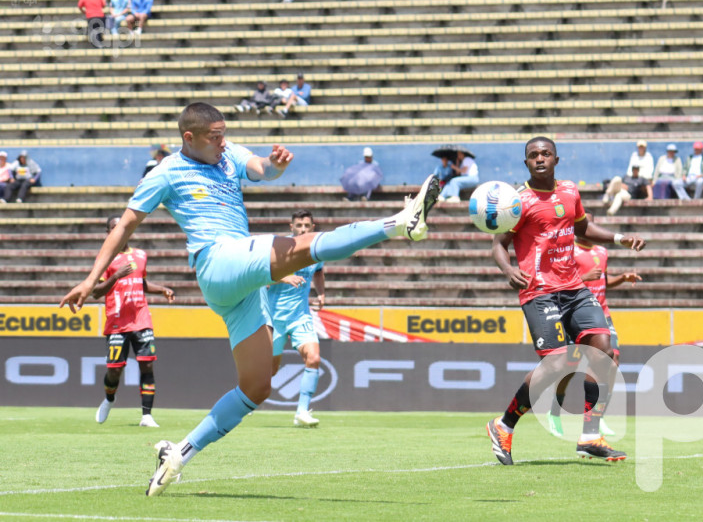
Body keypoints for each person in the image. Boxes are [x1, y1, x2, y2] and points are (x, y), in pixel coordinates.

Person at [59, 102, 440, 497]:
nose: (223, 142)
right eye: (215, 136)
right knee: (304, 246)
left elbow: (261, 169)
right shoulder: (166, 172)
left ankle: (178, 453)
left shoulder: (228, 154)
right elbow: (124, 226)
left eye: (224, 133)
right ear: (189, 138)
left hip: (239, 283)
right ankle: (398, 222)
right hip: (216, 261)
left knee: (257, 387)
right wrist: (90, 279)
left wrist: (276, 165)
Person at [485, 136, 645, 465]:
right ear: (526, 163)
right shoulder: (518, 202)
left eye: (545, 154)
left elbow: (583, 227)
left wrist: (618, 238)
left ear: (557, 159)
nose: (539, 159)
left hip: (574, 287)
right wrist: (507, 269)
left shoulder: (570, 191)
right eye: (533, 155)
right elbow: (498, 244)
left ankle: (590, 435)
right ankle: (503, 425)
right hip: (539, 291)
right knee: (558, 364)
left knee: (605, 349)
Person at [545, 214, 642, 438]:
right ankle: (555, 411)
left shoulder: (602, 251)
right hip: (576, 314)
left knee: (612, 360)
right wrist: (585, 276)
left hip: (601, 314)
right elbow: (558, 284)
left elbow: (604, 281)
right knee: (568, 366)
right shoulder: (567, 251)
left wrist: (623, 278)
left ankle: (598, 417)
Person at [92, 215, 176, 428]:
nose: (118, 230)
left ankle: (146, 415)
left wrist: (162, 290)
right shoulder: (104, 258)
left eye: (121, 226)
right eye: (113, 228)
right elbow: (95, 292)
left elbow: (141, 282)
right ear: (107, 233)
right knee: (114, 370)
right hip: (117, 322)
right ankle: (109, 399)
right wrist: (115, 276)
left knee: (147, 365)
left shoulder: (140, 255)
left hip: (141, 318)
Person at [264, 210, 326, 427]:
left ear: (313, 228)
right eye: (298, 225)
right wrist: (284, 277)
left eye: (306, 226)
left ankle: (302, 411)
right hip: (274, 318)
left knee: (314, 358)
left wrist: (320, 293)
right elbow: (262, 272)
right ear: (291, 227)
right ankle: (245, 401)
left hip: (300, 316)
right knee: (269, 370)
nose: (302, 229)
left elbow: (318, 271)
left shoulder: (315, 252)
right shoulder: (279, 249)